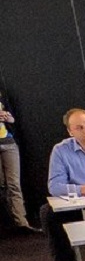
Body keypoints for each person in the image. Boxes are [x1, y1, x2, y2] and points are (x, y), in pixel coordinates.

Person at [43, 109, 85, 261]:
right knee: (49, 214)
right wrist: (82, 189)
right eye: (80, 127)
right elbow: (55, 186)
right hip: (78, 203)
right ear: (70, 131)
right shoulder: (61, 150)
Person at [0, 90, 35, 232]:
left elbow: (13, 120)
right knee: (1, 185)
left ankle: (22, 222)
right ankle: (7, 223)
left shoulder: (3, 98)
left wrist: (8, 118)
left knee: (14, 183)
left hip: (8, 142)